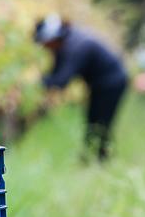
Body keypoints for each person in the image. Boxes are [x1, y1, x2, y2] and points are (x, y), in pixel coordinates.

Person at [34, 15, 128, 161]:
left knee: (101, 121)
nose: (44, 47)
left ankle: (100, 158)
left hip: (112, 83)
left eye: (44, 43)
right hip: (100, 84)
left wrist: (38, 82)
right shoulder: (66, 42)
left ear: (52, 38)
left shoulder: (76, 47)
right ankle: (92, 157)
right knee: (93, 120)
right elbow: (56, 72)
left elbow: (61, 80)